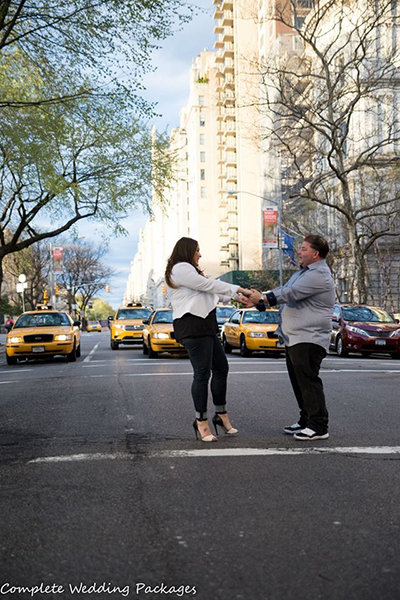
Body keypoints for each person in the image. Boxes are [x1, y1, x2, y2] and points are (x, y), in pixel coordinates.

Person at [246, 234, 335, 441]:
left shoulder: (319, 274)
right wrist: (260, 301)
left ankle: (319, 426)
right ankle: (306, 420)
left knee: (308, 381)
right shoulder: (303, 272)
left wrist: (264, 298)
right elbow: (283, 290)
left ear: (315, 253)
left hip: (309, 337)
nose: (299, 252)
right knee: (299, 382)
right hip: (295, 337)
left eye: (303, 249)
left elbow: (291, 294)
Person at [165, 237, 251, 442]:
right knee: (202, 374)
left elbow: (212, 293)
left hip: (206, 325)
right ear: (187, 251)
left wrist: (240, 299)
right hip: (192, 326)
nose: (200, 254)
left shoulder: (190, 272)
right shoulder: (180, 268)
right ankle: (201, 421)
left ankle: (220, 415)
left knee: (221, 369)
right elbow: (207, 285)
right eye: (197, 250)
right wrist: (240, 289)